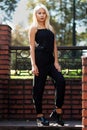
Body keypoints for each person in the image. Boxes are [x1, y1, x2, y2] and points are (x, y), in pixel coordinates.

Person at [28, 3, 65, 126]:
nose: (42, 15)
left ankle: (57, 110)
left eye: (44, 13)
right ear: (36, 15)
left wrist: (56, 62)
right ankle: (40, 116)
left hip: (50, 61)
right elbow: (32, 47)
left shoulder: (50, 28)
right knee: (38, 89)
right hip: (39, 61)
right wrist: (33, 65)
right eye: (39, 13)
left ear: (46, 15)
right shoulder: (33, 28)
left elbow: (54, 46)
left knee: (61, 81)